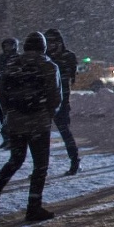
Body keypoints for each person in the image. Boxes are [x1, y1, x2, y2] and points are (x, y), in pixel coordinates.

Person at [0, 32, 61, 222]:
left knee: (15, 160)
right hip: (39, 122)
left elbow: (1, 93)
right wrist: (48, 113)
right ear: (43, 47)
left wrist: (12, 113)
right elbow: (55, 97)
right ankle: (33, 207)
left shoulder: (12, 65)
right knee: (40, 165)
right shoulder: (48, 66)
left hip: (16, 122)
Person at [44, 28, 81, 175]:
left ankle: (75, 162)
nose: (51, 45)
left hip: (61, 101)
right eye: (49, 41)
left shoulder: (67, 56)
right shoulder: (45, 56)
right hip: (46, 101)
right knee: (43, 137)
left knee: (65, 133)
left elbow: (71, 78)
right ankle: (42, 167)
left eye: (54, 41)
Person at [0, 37, 19, 150]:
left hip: (15, 91)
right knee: (2, 115)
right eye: (6, 45)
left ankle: (13, 140)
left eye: (10, 45)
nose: (8, 47)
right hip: (3, 90)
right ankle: (6, 139)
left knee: (13, 117)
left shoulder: (18, 58)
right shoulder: (1, 58)